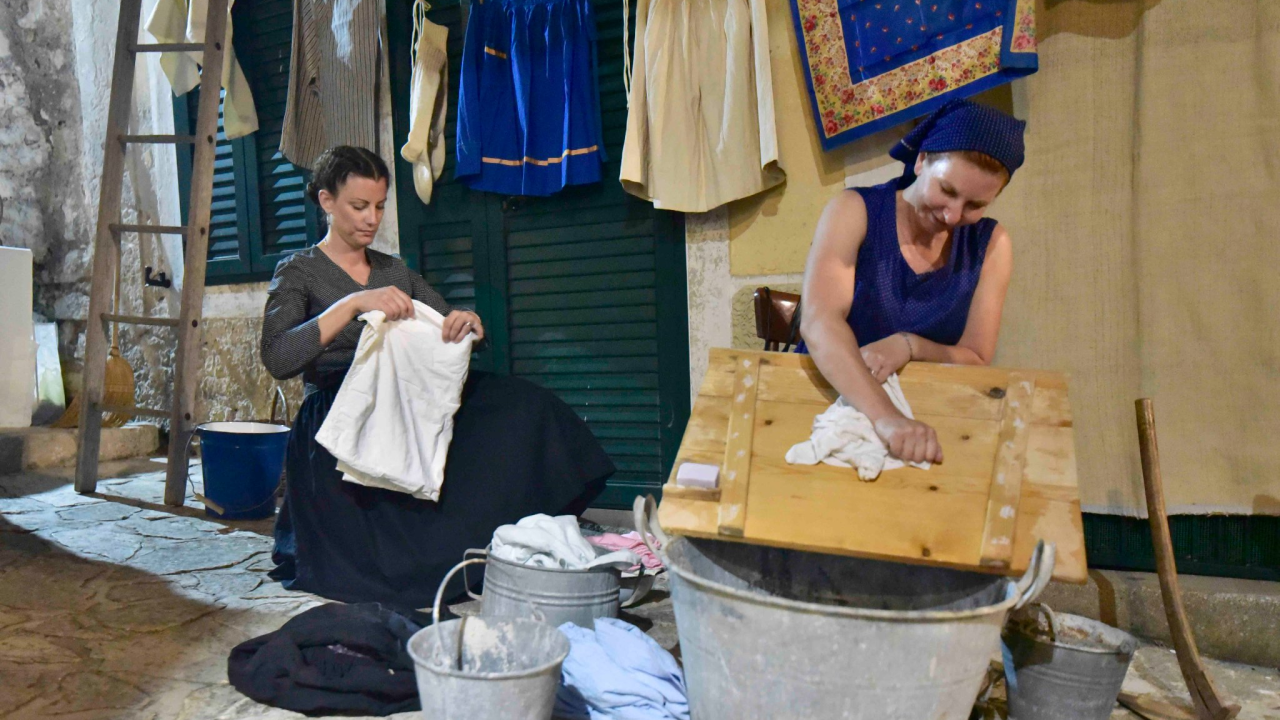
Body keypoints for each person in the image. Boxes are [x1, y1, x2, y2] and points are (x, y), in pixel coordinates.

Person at [260, 145, 614, 607]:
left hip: (404, 395)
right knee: (403, 557)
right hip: (340, 407)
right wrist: (352, 304)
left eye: (381, 206)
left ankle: (522, 530)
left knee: (523, 405)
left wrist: (468, 323)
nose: (372, 219)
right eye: (359, 206)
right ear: (327, 202)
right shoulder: (300, 271)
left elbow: (447, 321)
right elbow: (279, 356)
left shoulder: (393, 271)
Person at [798, 99, 1027, 466]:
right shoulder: (854, 210)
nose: (953, 215)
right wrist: (888, 418)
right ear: (921, 161)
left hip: (925, 418)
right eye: (947, 190)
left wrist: (909, 346)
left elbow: (976, 357)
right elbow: (819, 322)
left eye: (975, 205)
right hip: (826, 403)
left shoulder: (993, 245)